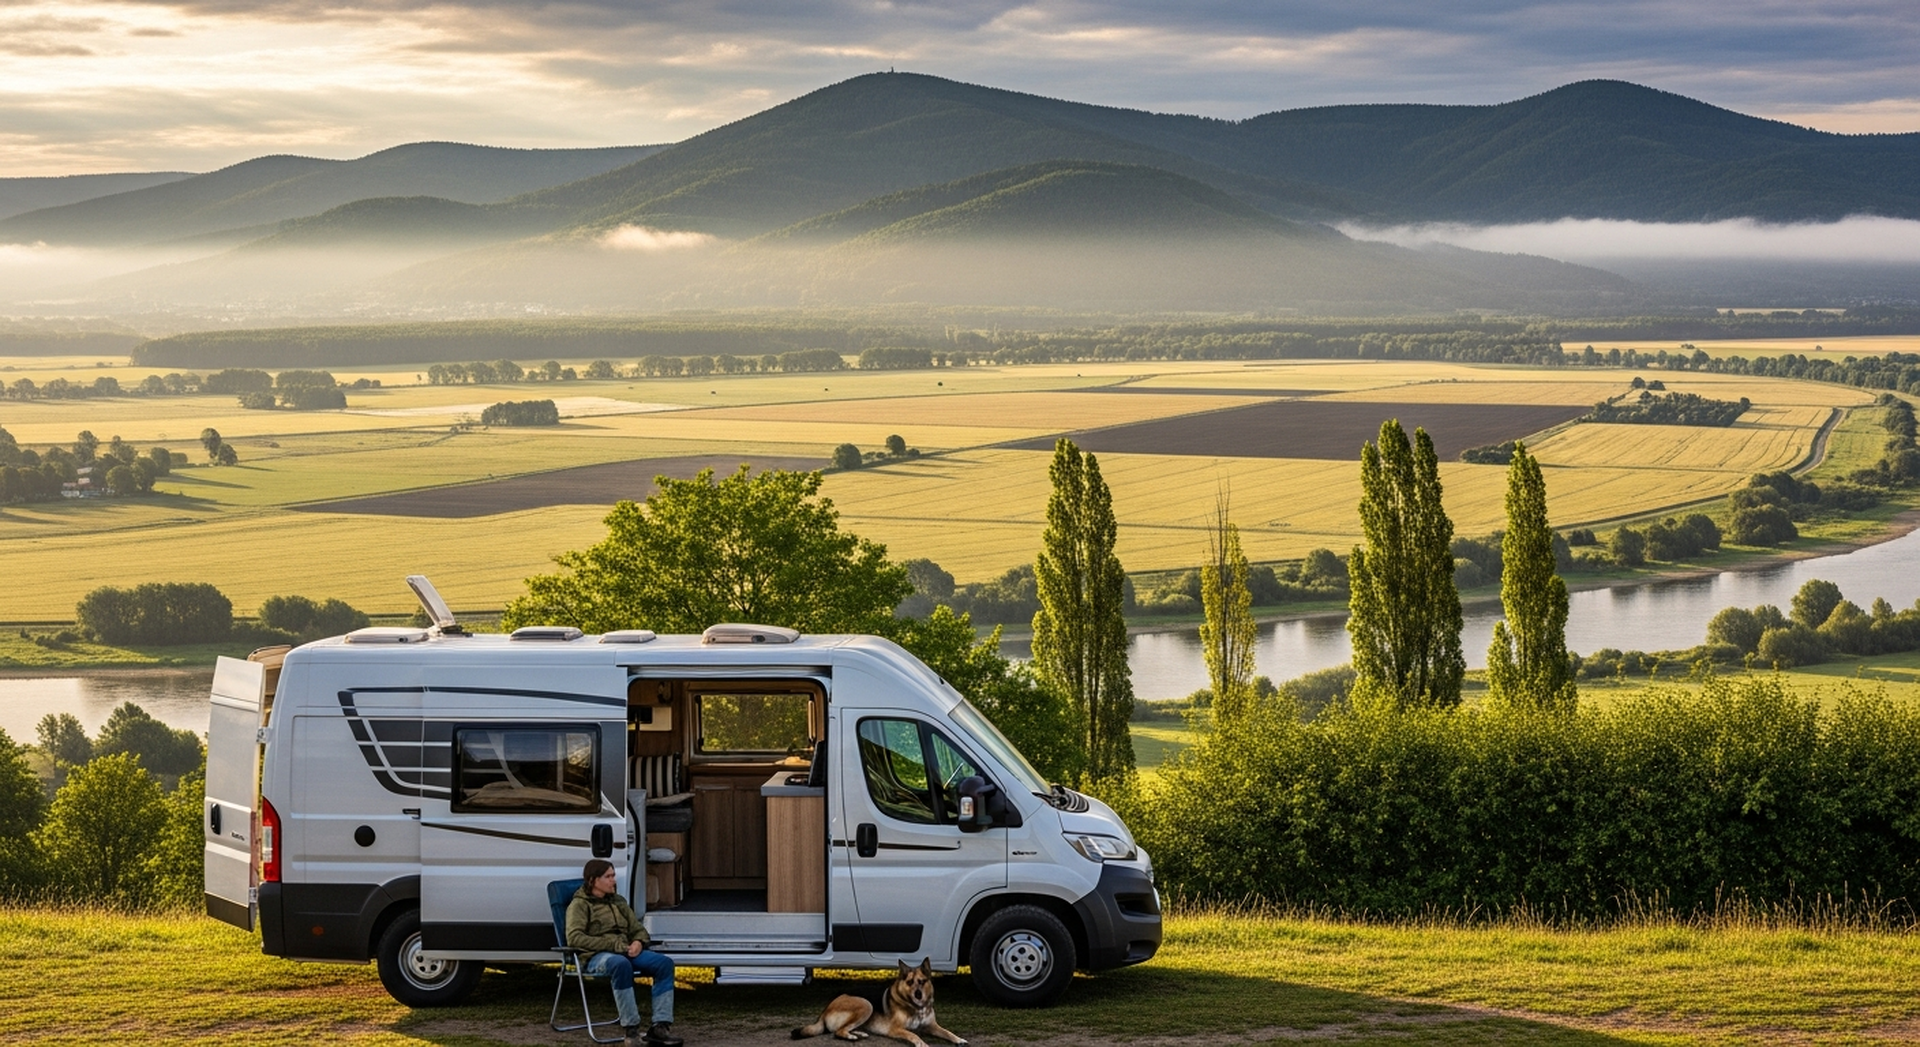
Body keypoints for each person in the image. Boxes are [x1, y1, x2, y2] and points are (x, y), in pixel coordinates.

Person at [566, 858, 682, 1047]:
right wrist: (612, 944)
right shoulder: (579, 905)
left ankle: (660, 1027)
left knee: (664, 964)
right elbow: (574, 939)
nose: (614, 880)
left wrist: (638, 941)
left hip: (626, 950)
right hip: (596, 956)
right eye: (608, 877)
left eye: (613, 876)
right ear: (593, 880)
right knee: (620, 964)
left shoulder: (618, 901)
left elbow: (638, 928)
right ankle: (632, 1029)